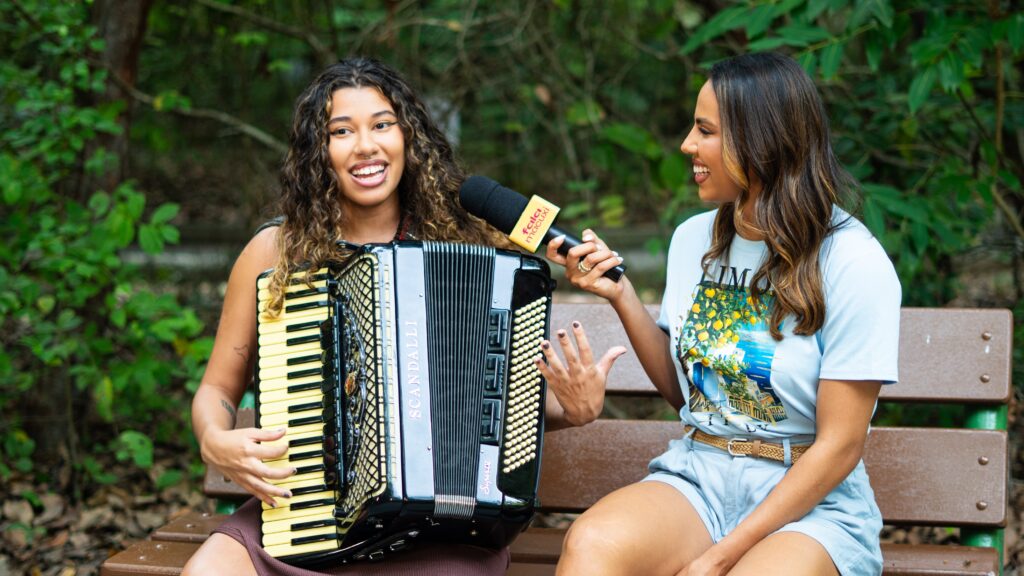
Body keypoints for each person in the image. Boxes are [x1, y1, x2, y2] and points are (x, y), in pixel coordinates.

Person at [183, 57, 583, 576]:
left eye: (382, 125)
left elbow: (494, 405)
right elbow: (217, 389)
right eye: (341, 131)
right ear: (317, 151)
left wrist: (570, 409)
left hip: (438, 528)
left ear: (408, 137)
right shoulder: (275, 251)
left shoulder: (466, 244)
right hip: (305, 512)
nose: (365, 146)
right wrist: (214, 440)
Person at [536, 52, 901, 576]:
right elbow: (686, 393)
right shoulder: (693, 239)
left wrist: (719, 557)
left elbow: (841, 446)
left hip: (810, 501)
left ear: (763, 141)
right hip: (700, 475)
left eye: (705, 131)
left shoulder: (852, 262)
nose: (687, 144)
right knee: (592, 545)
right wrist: (621, 295)